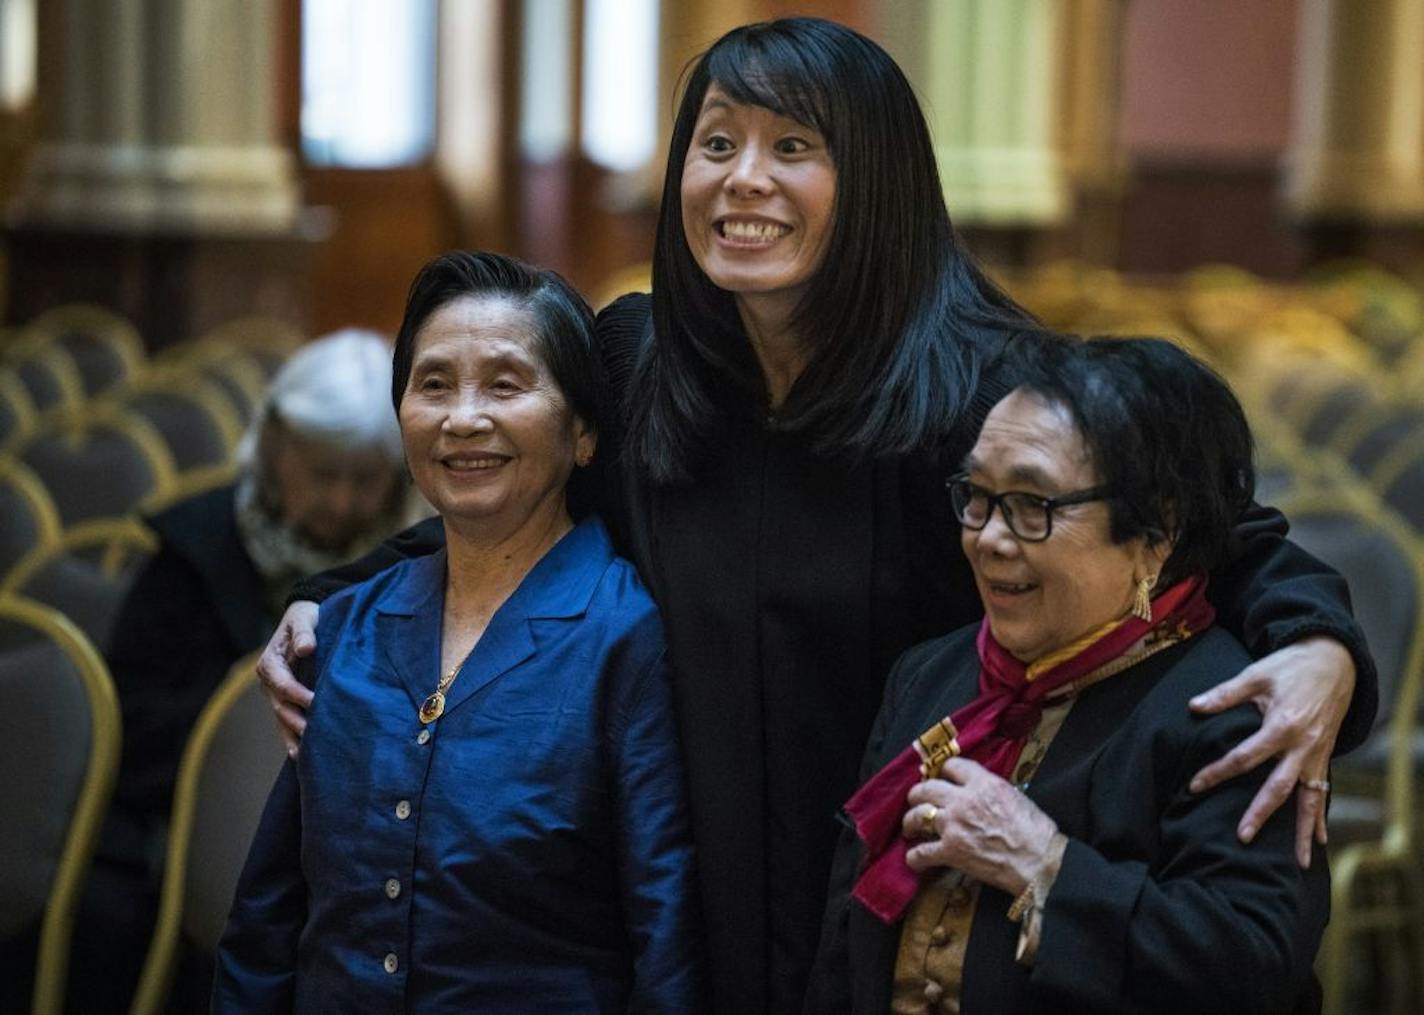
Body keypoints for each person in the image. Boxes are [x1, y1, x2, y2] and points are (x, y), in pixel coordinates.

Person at [254, 18, 1373, 1013]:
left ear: (875, 175)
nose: (742, 180)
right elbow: (508, 499)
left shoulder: (994, 388)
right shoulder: (644, 365)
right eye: (716, 143)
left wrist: (1321, 645)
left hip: (914, 913)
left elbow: (1218, 535)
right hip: (691, 885)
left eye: (793, 147)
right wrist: (329, 602)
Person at [213, 251, 702, 1011]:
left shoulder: (626, 635)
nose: (462, 417)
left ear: (582, 433)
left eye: (505, 384)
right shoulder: (343, 629)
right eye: (433, 384)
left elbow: (665, 941)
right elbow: (268, 919)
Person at [806, 335, 1330, 1013]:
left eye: (1033, 506)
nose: (989, 536)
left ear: (1155, 532)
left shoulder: (1235, 710)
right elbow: (842, 946)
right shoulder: (930, 673)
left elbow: (1250, 965)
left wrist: (1044, 863)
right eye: (978, 496)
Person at [70, 328, 413, 1012]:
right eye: (323, 474)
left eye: (366, 480)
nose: (344, 504)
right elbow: (125, 727)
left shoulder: (410, 567)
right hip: (178, 823)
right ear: (279, 445)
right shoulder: (195, 547)